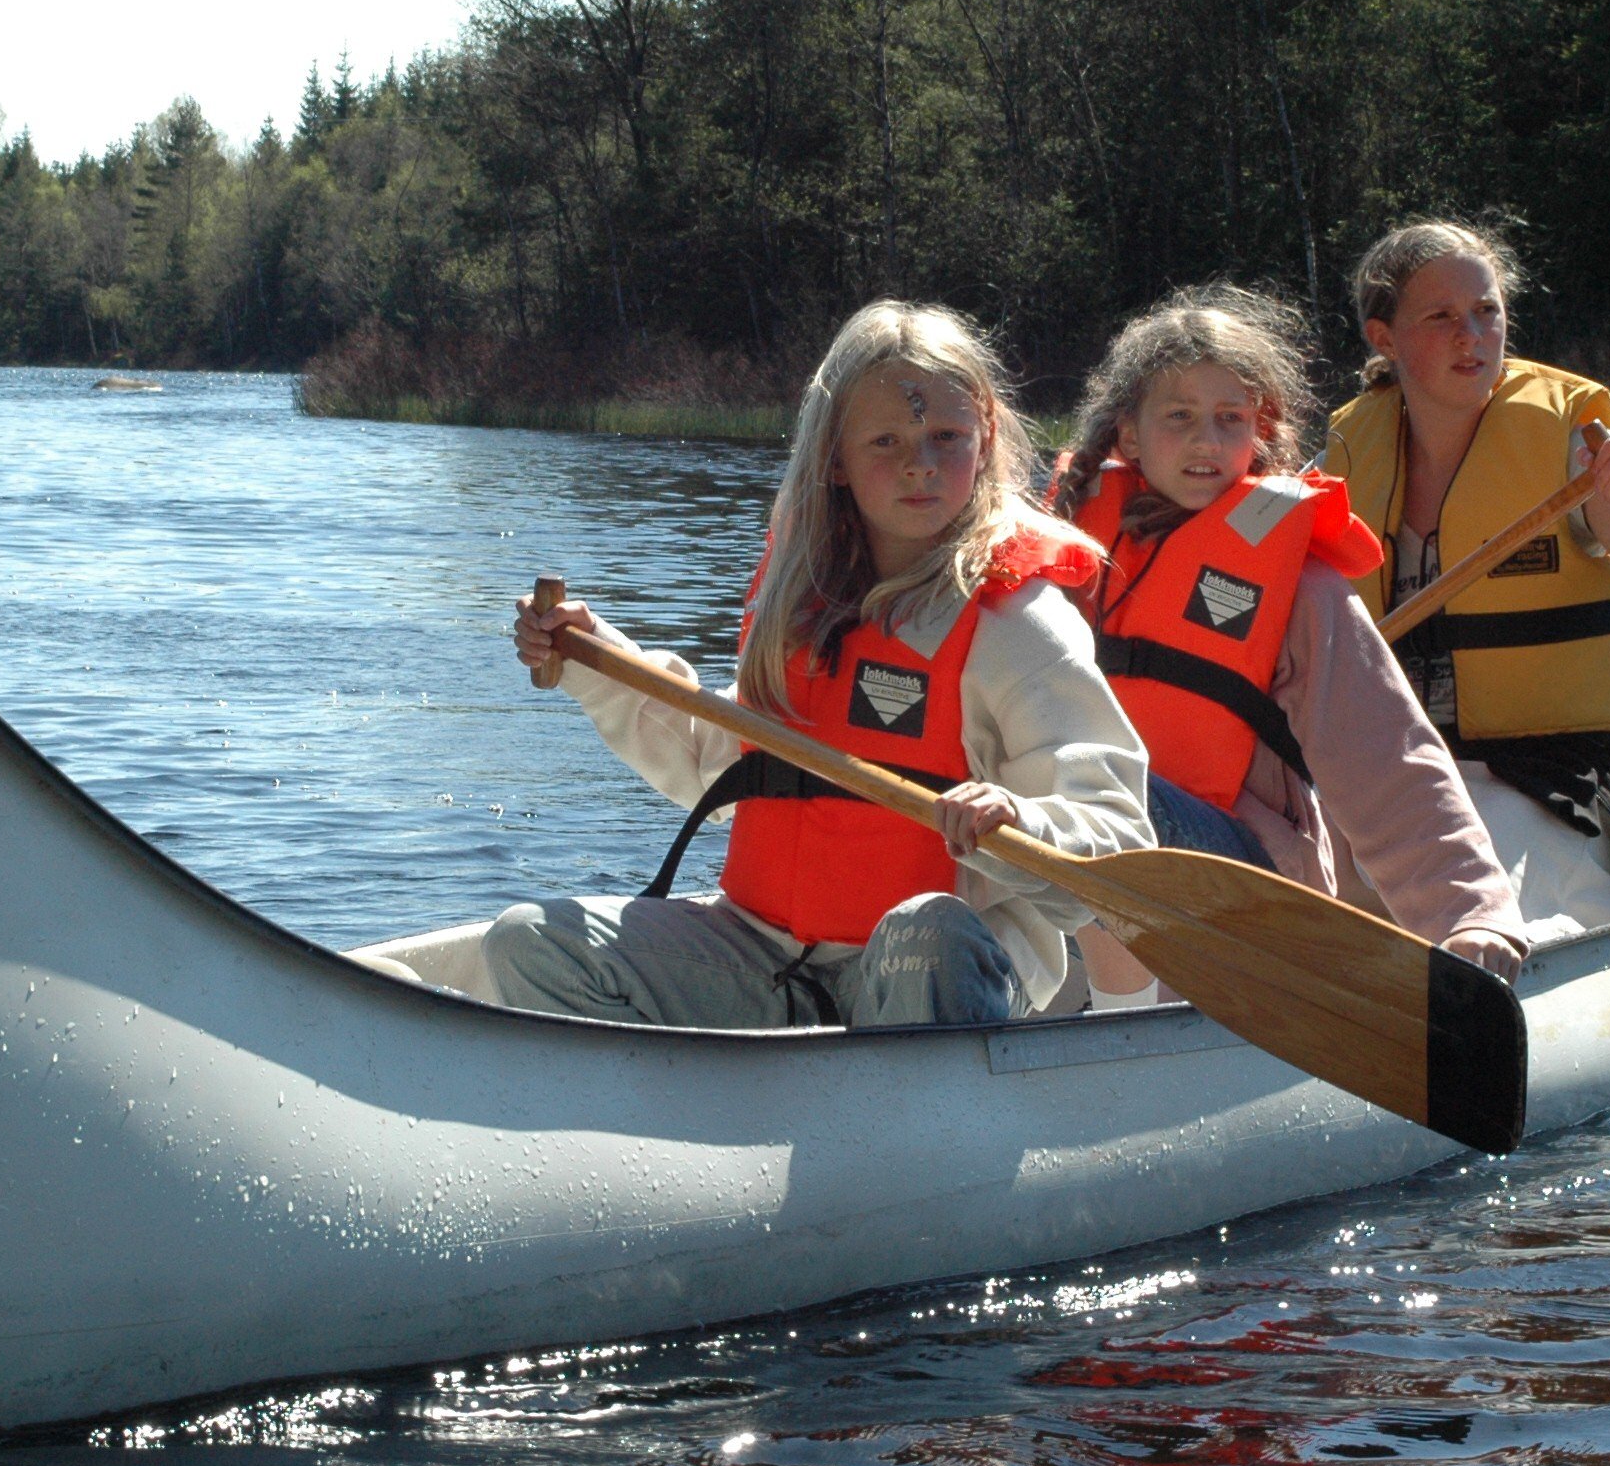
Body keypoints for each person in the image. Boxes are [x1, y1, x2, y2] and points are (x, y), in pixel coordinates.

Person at [493, 300, 1155, 1029]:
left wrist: (1021, 819)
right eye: (885, 441)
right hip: (762, 958)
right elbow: (723, 764)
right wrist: (597, 661)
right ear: (835, 457)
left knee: (929, 934)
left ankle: (923, 1118)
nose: (920, 465)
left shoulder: (1019, 626)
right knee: (530, 941)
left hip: (912, 976)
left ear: (986, 434)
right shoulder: (800, 602)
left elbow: (1118, 835)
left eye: (945, 436)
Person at [1046, 285, 1529, 1010]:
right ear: (1130, 436)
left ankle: (1119, 1028)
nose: (1208, 443)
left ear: (1259, 434)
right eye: (1180, 418)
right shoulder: (1071, 551)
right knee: (1028, 770)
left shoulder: (1303, 587)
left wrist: (1472, 916)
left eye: (1230, 419)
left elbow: (1388, 752)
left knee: (1087, 782)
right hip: (1096, 848)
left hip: (1247, 879)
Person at [1321, 222, 1610, 939]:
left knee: (1472, 898)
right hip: (1399, 766)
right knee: (1312, 874)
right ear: (1384, 337)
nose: (1471, 336)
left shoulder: (1573, 442)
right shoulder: (1354, 448)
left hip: (1549, 773)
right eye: (1441, 317)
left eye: (1486, 311)